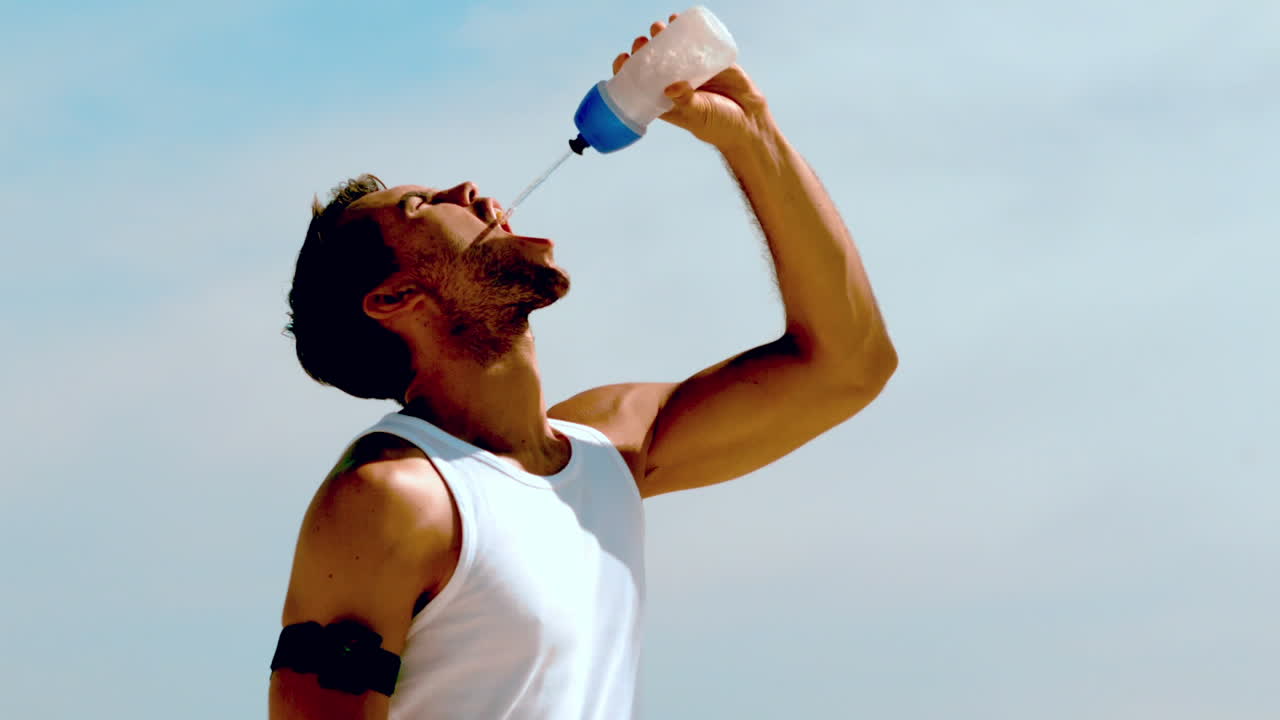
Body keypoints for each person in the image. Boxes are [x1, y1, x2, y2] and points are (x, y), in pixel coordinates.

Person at [268, 15, 897, 720]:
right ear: (394, 298)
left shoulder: (606, 453)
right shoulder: (388, 500)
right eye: (421, 206)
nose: (466, 188)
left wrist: (750, 135)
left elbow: (849, 365)